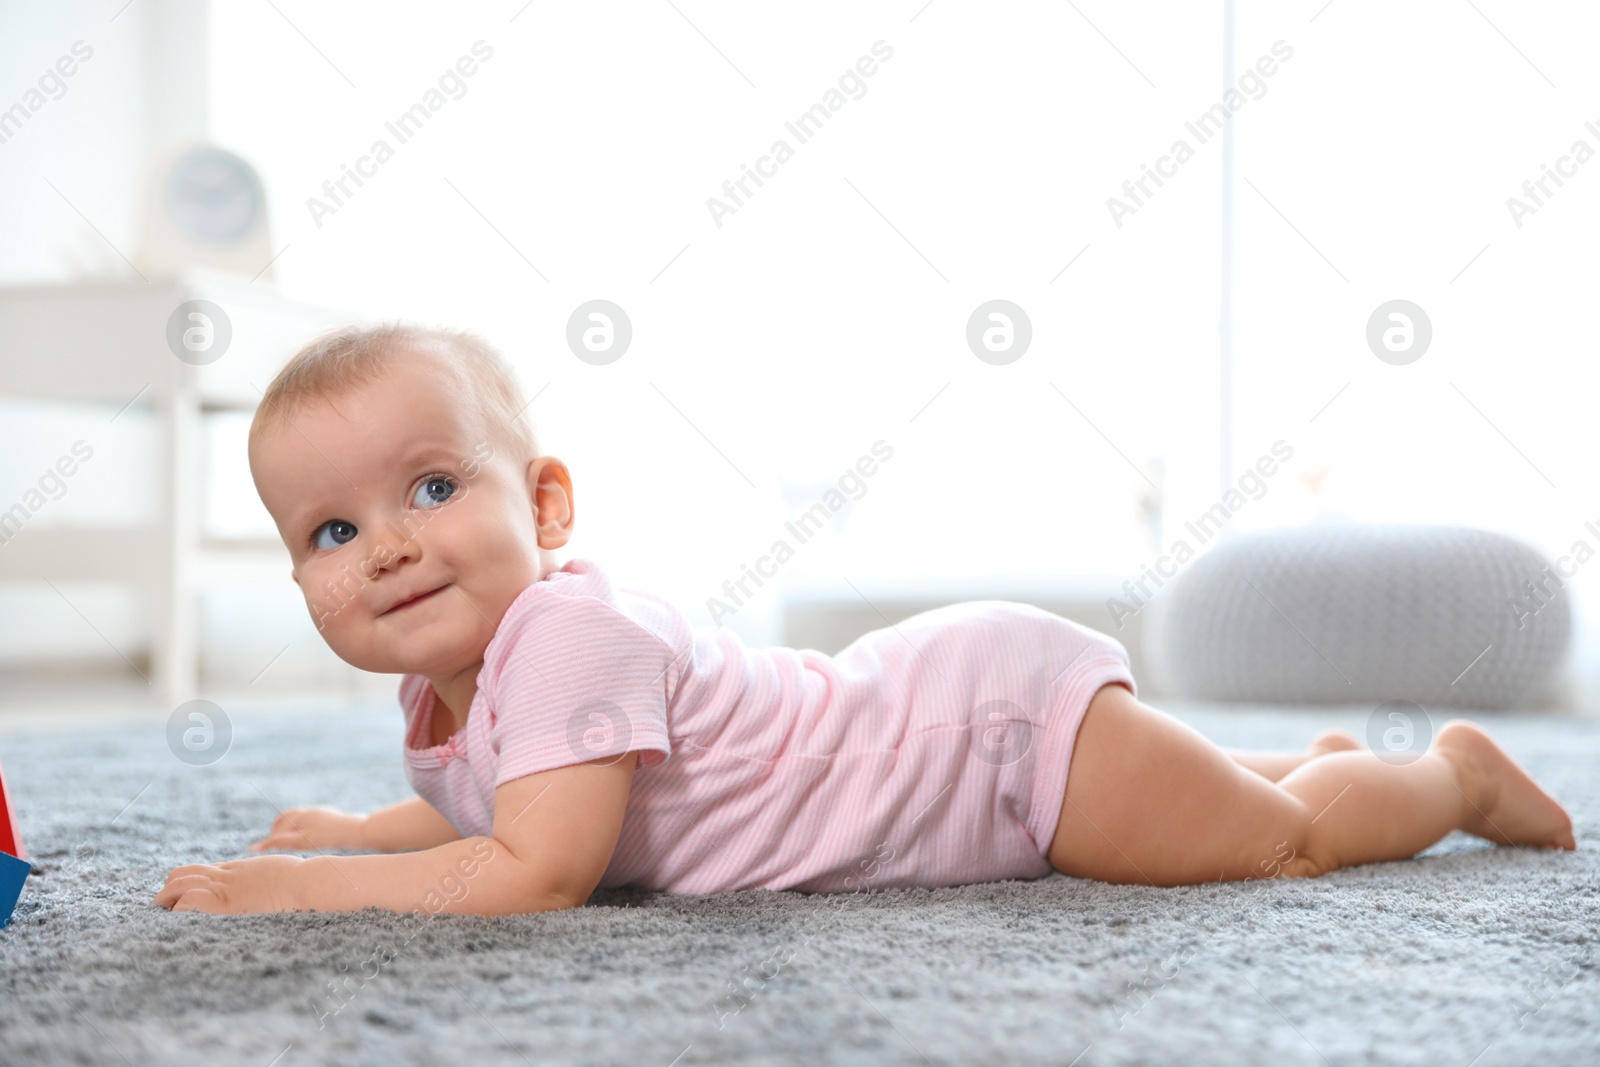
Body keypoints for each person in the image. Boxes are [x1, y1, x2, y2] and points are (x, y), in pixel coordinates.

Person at [154, 324, 1576, 916]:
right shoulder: (445, 703)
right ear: (298, 582)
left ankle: (1443, 772)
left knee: (1279, 852)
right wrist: (364, 829)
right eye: (333, 532)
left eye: (431, 486)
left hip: (990, 743)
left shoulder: (572, 639)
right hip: (951, 717)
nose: (387, 545)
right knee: (1201, 797)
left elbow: (535, 870)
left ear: (547, 508)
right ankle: (1289, 754)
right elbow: (491, 808)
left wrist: (308, 888)